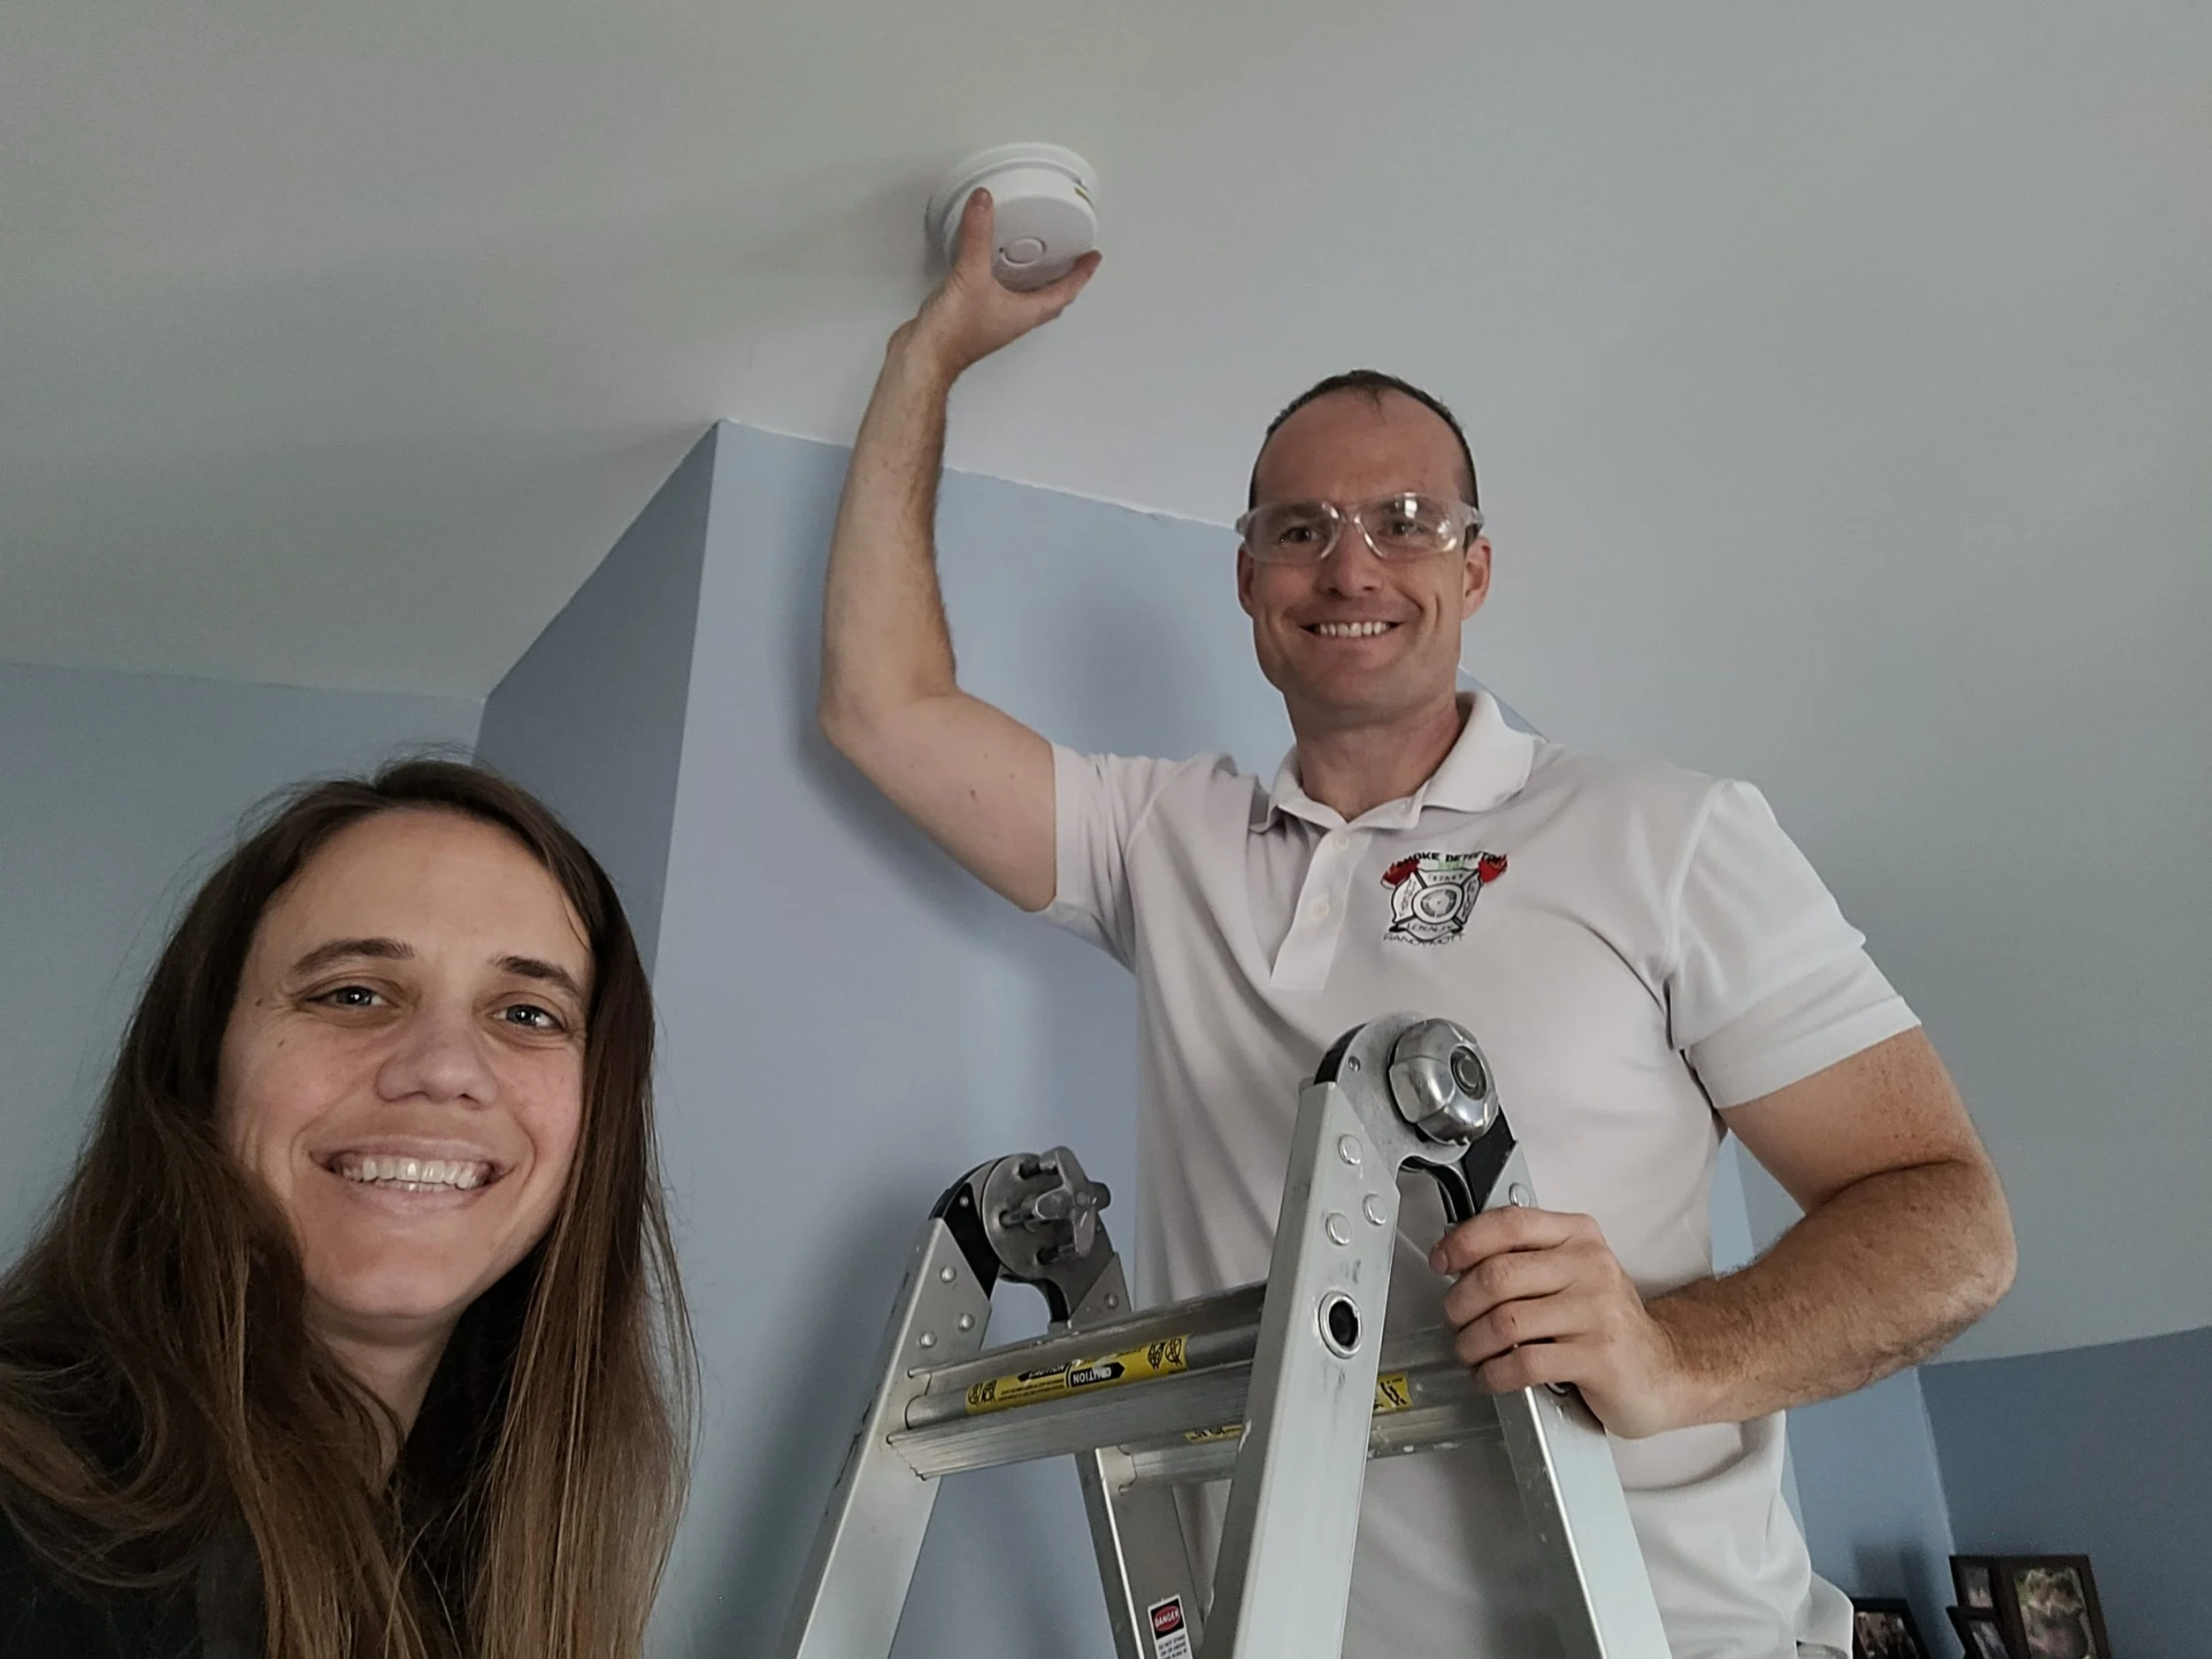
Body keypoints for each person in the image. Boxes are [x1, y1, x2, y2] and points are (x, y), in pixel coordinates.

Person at [818, 189, 2017, 1658]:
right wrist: (927, 357)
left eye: (1406, 523)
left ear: (1475, 570)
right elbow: (884, 710)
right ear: (1250, 581)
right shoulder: (1167, 842)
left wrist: (1676, 1353)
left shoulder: (1666, 833)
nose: (1352, 566)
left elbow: (1948, 1217)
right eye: (1300, 528)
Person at [0, 760, 694, 1659]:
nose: (446, 1069)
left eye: (526, 1013)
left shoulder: (495, 1541)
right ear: (201, 1064)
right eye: (353, 994)